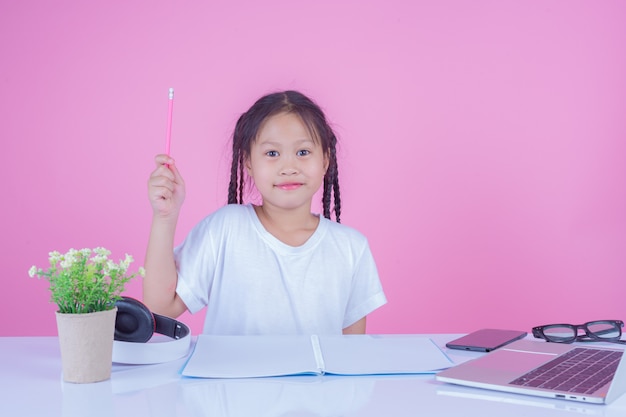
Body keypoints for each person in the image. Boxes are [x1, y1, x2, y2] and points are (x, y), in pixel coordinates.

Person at [144, 90, 386, 335]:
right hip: (234, 375)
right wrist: (165, 217)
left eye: (303, 152)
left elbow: (353, 352)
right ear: (248, 162)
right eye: (272, 153)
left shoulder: (351, 247)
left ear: (325, 160)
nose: (289, 167)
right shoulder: (225, 229)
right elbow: (160, 308)